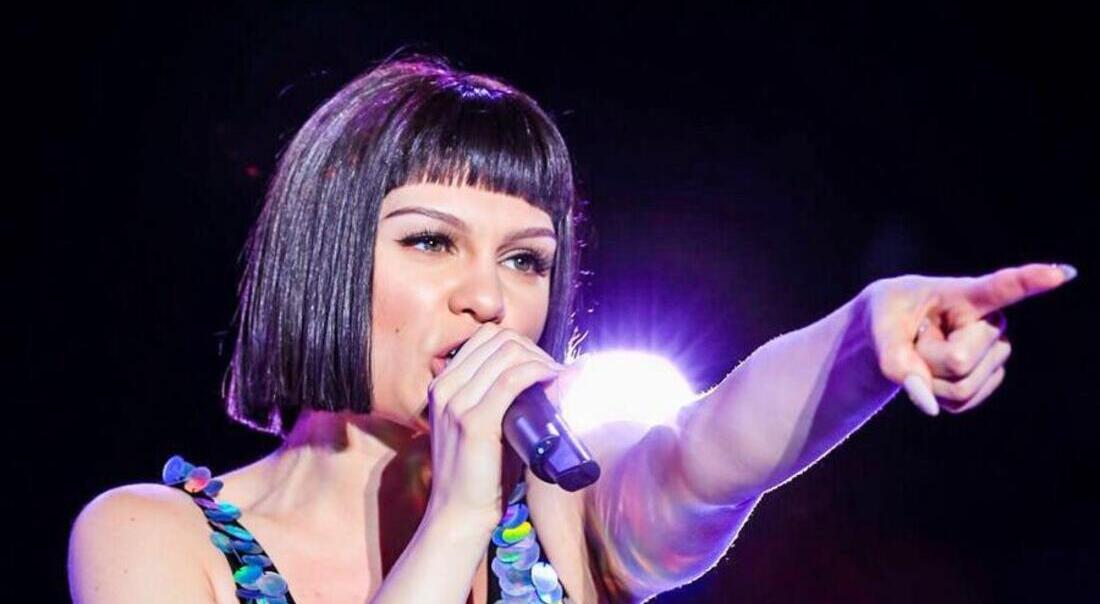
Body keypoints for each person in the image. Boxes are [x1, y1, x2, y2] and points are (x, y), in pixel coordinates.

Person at [67, 54, 1076, 604]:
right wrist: (455, 515)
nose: (488, 298)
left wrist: (863, 337)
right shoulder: (151, 540)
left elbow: (710, 452)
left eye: (524, 260)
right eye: (431, 242)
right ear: (324, 257)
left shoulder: (564, 505)